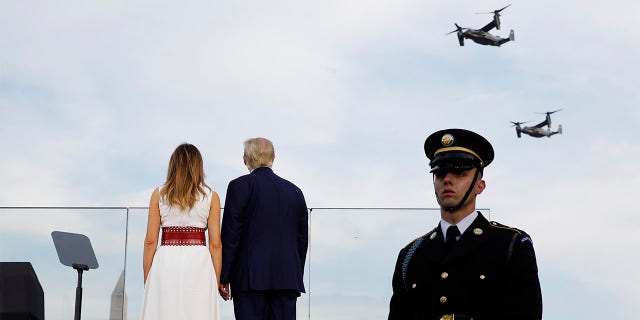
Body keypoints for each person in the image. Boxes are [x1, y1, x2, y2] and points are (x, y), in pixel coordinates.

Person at [388, 128, 542, 320]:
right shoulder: (410, 256)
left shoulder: (510, 244)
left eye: (460, 172)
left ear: (480, 185)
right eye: (440, 173)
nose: (447, 180)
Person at [219, 137, 308, 320]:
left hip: (249, 280)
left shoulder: (239, 187)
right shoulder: (295, 192)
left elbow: (231, 235)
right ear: (272, 158)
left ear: (246, 160)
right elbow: (302, 240)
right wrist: (295, 274)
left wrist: (224, 276)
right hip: (287, 280)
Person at [141, 143, 222, 320]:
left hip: (165, 261)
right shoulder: (211, 196)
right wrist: (214, 282)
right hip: (199, 263)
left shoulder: (159, 194)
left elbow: (150, 242)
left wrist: (148, 279)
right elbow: (215, 244)